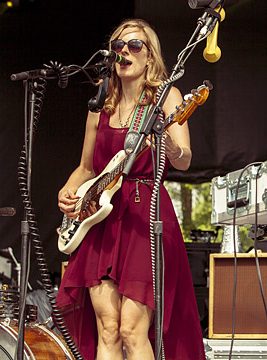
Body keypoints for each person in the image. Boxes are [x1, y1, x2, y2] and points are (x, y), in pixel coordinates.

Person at [56, 18, 205, 360]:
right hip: (101, 221)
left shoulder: (165, 97)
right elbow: (86, 168)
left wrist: (168, 144)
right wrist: (68, 190)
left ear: (150, 55)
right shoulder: (100, 105)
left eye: (135, 45)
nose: (124, 51)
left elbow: (184, 160)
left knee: (132, 330)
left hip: (144, 216)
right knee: (107, 327)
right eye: (117, 46)